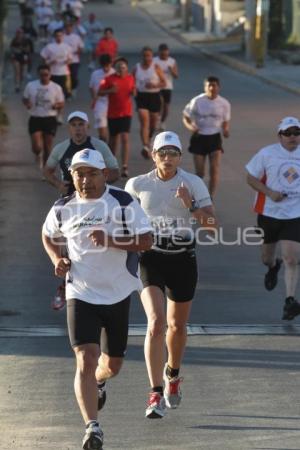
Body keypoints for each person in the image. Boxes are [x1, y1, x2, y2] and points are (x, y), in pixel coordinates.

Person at [42, 148, 153, 449]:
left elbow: (147, 240)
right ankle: (92, 427)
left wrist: (111, 241)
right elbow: (48, 235)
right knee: (85, 359)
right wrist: (57, 258)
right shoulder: (63, 207)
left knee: (111, 366)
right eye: (79, 173)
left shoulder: (123, 202)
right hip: (81, 291)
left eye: (91, 173)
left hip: (117, 293)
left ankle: (100, 382)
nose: (85, 180)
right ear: (72, 176)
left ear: (104, 174)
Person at [125, 131, 217, 418]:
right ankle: (154, 393)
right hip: (151, 257)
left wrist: (191, 204)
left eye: (173, 153)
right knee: (156, 323)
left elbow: (212, 224)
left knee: (177, 327)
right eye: (161, 153)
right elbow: (123, 220)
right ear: (153, 155)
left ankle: (172, 376)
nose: (167, 158)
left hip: (183, 258)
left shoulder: (193, 183)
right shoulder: (137, 184)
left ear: (180, 156)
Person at [44, 110, 120, 310]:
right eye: (74, 124)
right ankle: (65, 286)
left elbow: (115, 171)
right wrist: (58, 184)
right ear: (69, 128)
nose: (78, 128)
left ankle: (101, 285)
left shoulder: (99, 146)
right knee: (67, 248)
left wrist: (99, 182)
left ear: (87, 126)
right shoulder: (61, 148)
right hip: (70, 203)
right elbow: (47, 169)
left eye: (81, 124)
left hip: (97, 202)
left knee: (91, 246)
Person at [246, 116, 300, 321]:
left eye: (296, 133)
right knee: (266, 257)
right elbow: (250, 178)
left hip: (295, 214)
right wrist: (269, 193)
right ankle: (272, 266)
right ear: (280, 136)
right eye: (288, 133)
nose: (293, 137)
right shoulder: (267, 154)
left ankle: (290, 301)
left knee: (292, 257)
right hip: (269, 213)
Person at [183, 75, 231, 199]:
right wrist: (191, 127)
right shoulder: (197, 101)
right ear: (205, 87)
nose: (211, 88)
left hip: (214, 138)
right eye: (209, 85)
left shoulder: (224, 103)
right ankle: (198, 195)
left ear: (218, 87)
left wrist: (225, 130)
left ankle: (210, 197)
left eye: (214, 85)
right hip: (199, 137)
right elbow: (186, 116)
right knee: (200, 173)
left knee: (214, 169)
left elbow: (225, 121)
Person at [22, 63, 64, 170]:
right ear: (38, 75)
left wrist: (57, 105)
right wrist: (27, 103)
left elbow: (62, 103)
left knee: (47, 146)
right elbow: (25, 98)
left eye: (46, 74)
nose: (44, 77)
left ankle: (46, 170)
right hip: (35, 117)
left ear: (50, 74)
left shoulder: (56, 87)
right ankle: (38, 154)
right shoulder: (31, 85)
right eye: (42, 75)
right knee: (36, 147)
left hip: (49, 118)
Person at [99, 57, 136, 178]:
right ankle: (111, 165)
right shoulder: (108, 79)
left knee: (125, 137)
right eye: (119, 67)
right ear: (115, 68)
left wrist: (134, 92)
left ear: (126, 68)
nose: (121, 69)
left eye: (124, 67)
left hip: (126, 113)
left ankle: (125, 166)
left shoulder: (130, 78)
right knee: (113, 140)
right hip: (113, 113)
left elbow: (133, 90)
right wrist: (110, 90)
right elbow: (99, 92)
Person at [133, 46, 166, 159]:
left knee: (152, 124)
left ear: (152, 57)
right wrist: (133, 91)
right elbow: (131, 82)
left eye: (149, 56)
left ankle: (150, 138)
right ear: (141, 56)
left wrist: (155, 85)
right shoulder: (136, 68)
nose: (147, 58)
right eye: (145, 55)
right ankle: (145, 146)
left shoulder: (156, 67)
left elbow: (164, 83)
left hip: (154, 96)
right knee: (144, 122)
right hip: (141, 97)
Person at [40, 28, 73, 98]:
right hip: (53, 72)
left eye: (60, 36)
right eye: (57, 36)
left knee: (63, 90)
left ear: (63, 36)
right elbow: (43, 58)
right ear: (54, 37)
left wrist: (67, 61)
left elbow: (70, 59)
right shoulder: (49, 47)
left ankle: (62, 101)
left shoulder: (67, 47)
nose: (59, 37)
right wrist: (50, 62)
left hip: (64, 72)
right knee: (52, 90)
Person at [89, 53, 115, 142]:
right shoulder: (95, 74)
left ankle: (110, 150)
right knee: (101, 128)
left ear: (111, 64)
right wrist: (94, 99)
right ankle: (103, 146)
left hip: (113, 104)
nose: (106, 68)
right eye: (104, 66)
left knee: (113, 131)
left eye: (108, 65)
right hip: (100, 103)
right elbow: (91, 87)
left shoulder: (115, 73)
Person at [153, 43, 178, 131]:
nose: (164, 55)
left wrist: (171, 70)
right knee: (160, 103)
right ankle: (157, 120)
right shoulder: (154, 61)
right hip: (157, 86)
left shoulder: (172, 61)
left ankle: (162, 122)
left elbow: (176, 76)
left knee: (166, 107)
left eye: (165, 53)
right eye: (162, 53)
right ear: (159, 52)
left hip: (167, 86)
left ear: (168, 52)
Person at [64, 21, 84, 97]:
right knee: (66, 77)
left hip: (75, 60)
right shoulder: (62, 37)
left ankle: (74, 88)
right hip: (65, 61)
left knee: (74, 76)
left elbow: (81, 48)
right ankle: (67, 92)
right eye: (67, 27)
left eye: (70, 27)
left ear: (72, 28)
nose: (68, 29)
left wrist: (77, 51)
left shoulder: (76, 37)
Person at [9, 28, 31, 92]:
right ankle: (17, 86)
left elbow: (28, 50)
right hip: (16, 57)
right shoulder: (14, 40)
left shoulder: (26, 40)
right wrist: (14, 51)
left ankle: (20, 84)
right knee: (17, 72)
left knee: (22, 73)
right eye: (18, 33)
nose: (19, 34)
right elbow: (11, 48)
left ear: (22, 33)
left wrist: (22, 49)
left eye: (20, 33)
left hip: (23, 57)